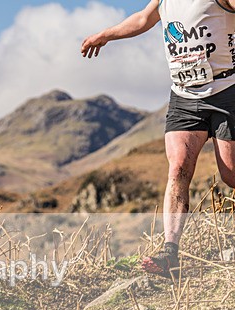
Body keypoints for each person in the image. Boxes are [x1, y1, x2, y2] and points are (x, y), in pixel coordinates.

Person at [81, 0, 235, 278]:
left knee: (231, 174)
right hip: (185, 96)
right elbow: (142, 20)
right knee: (178, 169)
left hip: (228, 90)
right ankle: (169, 253)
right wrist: (105, 35)